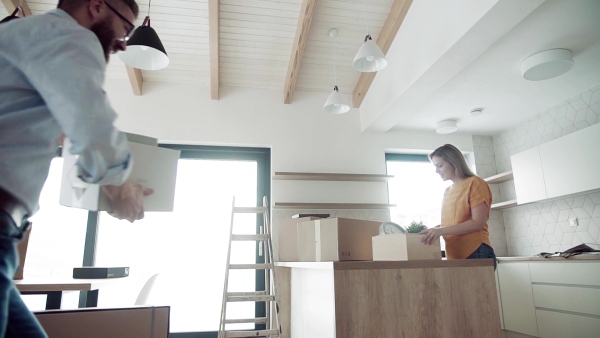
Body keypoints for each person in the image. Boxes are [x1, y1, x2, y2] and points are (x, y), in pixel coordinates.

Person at [0, 0, 152, 336]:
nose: (123, 42)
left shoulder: (17, 34)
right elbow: (93, 129)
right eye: (125, 28)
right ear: (96, 6)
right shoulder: (70, 36)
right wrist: (121, 187)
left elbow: (70, 129)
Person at [420, 144, 497, 268]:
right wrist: (432, 231)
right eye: (435, 167)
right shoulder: (448, 191)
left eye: (440, 166)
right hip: (455, 254)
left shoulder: (475, 183)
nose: (437, 171)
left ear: (454, 162)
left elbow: (478, 223)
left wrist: (440, 231)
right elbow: (451, 224)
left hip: (475, 251)